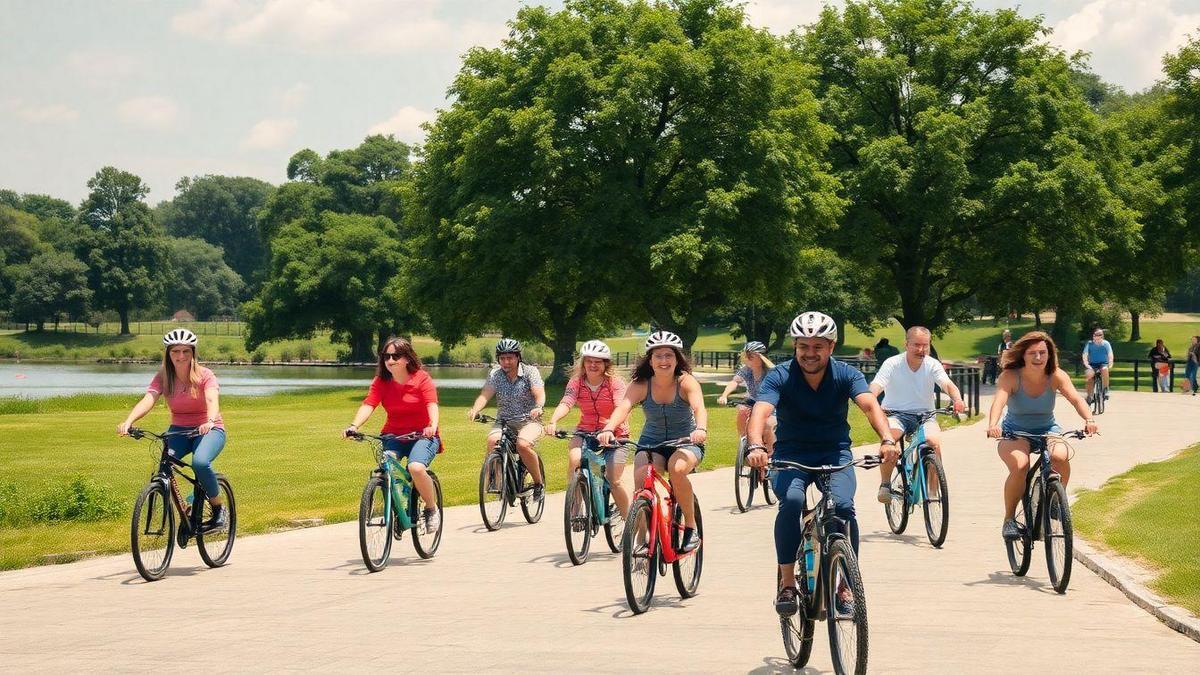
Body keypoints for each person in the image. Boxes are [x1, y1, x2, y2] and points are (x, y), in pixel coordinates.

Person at [745, 312, 895, 616]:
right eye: (803, 346)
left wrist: (887, 439)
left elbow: (869, 405)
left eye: (818, 346)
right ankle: (787, 584)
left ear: (831, 346)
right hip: (791, 454)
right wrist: (756, 445)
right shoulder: (781, 376)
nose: (810, 353)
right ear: (794, 345)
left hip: (834, 452)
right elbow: (760, 411)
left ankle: (845, 581)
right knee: (791, 500)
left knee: (842, 507)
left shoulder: (846, 375)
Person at [598, 331, 707, 553]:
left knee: (676, 470)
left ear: (677, 359)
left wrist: (701, 429)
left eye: (669, 355)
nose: (664, 361)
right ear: (650, 360)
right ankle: (644, 532)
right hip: (651, 442)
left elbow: (699, 408)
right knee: (641, 475)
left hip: (685, 441)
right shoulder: (641, 384)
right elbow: (623, 407)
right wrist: (609, 428)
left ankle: (690, 527)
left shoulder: (686, 382)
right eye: (658, 356)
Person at [986, 331, 1097, 541]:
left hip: (1048, 429)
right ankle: (1009, 519)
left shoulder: (1056, 375)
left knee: (1060, 457)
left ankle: (1057, 502)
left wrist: (1089, 420)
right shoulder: (1010, 376)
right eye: (1032, 353)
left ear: (1050, 354)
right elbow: (999, 402)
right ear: (1023, 355)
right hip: (1015, 432)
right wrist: (993, 425)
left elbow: (1076, 399)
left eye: (1042, 353)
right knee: (1020, 465)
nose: (1038, 358)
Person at [117, 329, 228, 535]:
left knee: (200, 462)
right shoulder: (163, 376)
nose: (181, 356)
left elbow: (212, 400)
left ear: (193, 352)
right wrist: (129, 421)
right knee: (164, 465)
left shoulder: (205, 375)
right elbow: (149, 399)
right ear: (168, 353)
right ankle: (186, 511)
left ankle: (218, 509)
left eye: (186, 351)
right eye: (175, 351)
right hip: (178, 431)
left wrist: (210, 420)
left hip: (209, 429)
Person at [344, 337, 442, 532]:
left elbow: (432, 403)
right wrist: (354, 426)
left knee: (415, 468)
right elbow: (369, 404)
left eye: (395, 356)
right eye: (386, 356)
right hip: (393, 436)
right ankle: (398, 509)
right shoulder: (381, 381)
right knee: (388, 466)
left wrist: (432, 425)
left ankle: (431, 509)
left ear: (406, 358)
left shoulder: (421, 378)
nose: (390, 360)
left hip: (422, 436)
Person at [869, 326, 966, 503]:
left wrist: (957, 399)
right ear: (906, 344)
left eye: (925, 345)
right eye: (916, 345)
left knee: (934, 443)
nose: (921, 350)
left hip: (925, 415)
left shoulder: (932, 364)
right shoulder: (892, 363)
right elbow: (877, 385)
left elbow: (947, 384)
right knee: (890, 441)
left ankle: (933, 491)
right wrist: (871, 400)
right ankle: (885, 485)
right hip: (896, 414)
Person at [544, 339, 631, 519]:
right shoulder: (576, 382)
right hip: (586, 431)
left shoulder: (615, 383)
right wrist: (553, 420)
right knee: (575, 459)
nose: (593, 365)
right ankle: (575, 506)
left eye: (598, 361)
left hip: (615, 434)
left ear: (606, 364)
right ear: (583, 362)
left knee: (614, 480)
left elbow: (620, 408)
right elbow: (566, 403)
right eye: (589, 360)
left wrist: (609, 428)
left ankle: (629, 521)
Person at [467, 338, 547, 500]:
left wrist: (538, 407)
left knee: (523, 445)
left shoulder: (530, 372)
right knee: (492, 441)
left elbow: (539, 393)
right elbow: (485, 394)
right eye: (502, 358)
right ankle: (497, 481)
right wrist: (475, 409)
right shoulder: (495, 374)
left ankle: (538, 484)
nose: (506, 362)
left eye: (510, 358)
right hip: (504, 422)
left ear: (518, 357)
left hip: (529, 421)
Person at [716, 341, 777, 451]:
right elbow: (735, 382)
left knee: (769, 424)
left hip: (769, 403)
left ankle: (771, 454)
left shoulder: (771, 372)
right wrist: (724, 395)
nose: (747, 359)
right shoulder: (746, 370)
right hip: (753, 401)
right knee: (742, 411)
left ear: (761, 357)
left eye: (750, 356)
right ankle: (745, 441)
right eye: (746, 356)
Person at [1083, 328, 1114, 404]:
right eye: (1096, 335)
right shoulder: (1089, 344)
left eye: (1100, 335)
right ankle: (1089, 396)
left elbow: (1110, 354)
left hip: (1103, 363)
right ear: (1093, 336)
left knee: (1104, 369)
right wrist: (1086, 364)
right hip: (1092, 364)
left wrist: (1110, 362)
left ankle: (1105, 389)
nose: (1097, 337)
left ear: (1102, 336)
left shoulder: (1106, 344)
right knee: (1089, 376)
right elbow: (1085, 355)